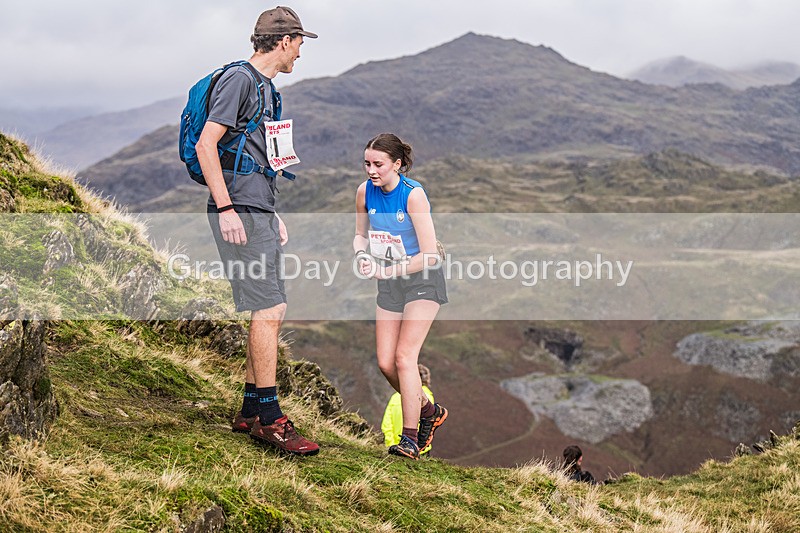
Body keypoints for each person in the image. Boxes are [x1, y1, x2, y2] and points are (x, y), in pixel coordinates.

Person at [197, 6, 319, 456]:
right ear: (284, 40)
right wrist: (228, 208)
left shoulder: (266, 89)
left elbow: (259, 156)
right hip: (239, 209)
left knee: (268, 307)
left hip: (257, 207)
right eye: (300, 44)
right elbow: (205, 144)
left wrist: (270, 210)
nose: (300, 54)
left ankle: (251, 410)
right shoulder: (241, 80)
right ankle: (269, 418)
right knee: (269, 307)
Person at [354, 133, 449, 460]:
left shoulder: (413, 196)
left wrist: (388, 271)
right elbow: (358, 236)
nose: (371, 170)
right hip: (390, 282)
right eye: (367, 163)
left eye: (378, 164)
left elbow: (431, 255)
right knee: (385, 362)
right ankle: (428, 410)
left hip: (422, 279)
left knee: (404, 358)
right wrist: (362, 256)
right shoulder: (364, 192)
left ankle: (410, 439)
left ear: (397, 164)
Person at [381, 364, 435, 455]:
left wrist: (391, 443)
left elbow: (386, 425)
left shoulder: (395, 396)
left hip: (397, 445)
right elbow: (427, 423)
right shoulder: (426, 397)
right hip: (418, 447)